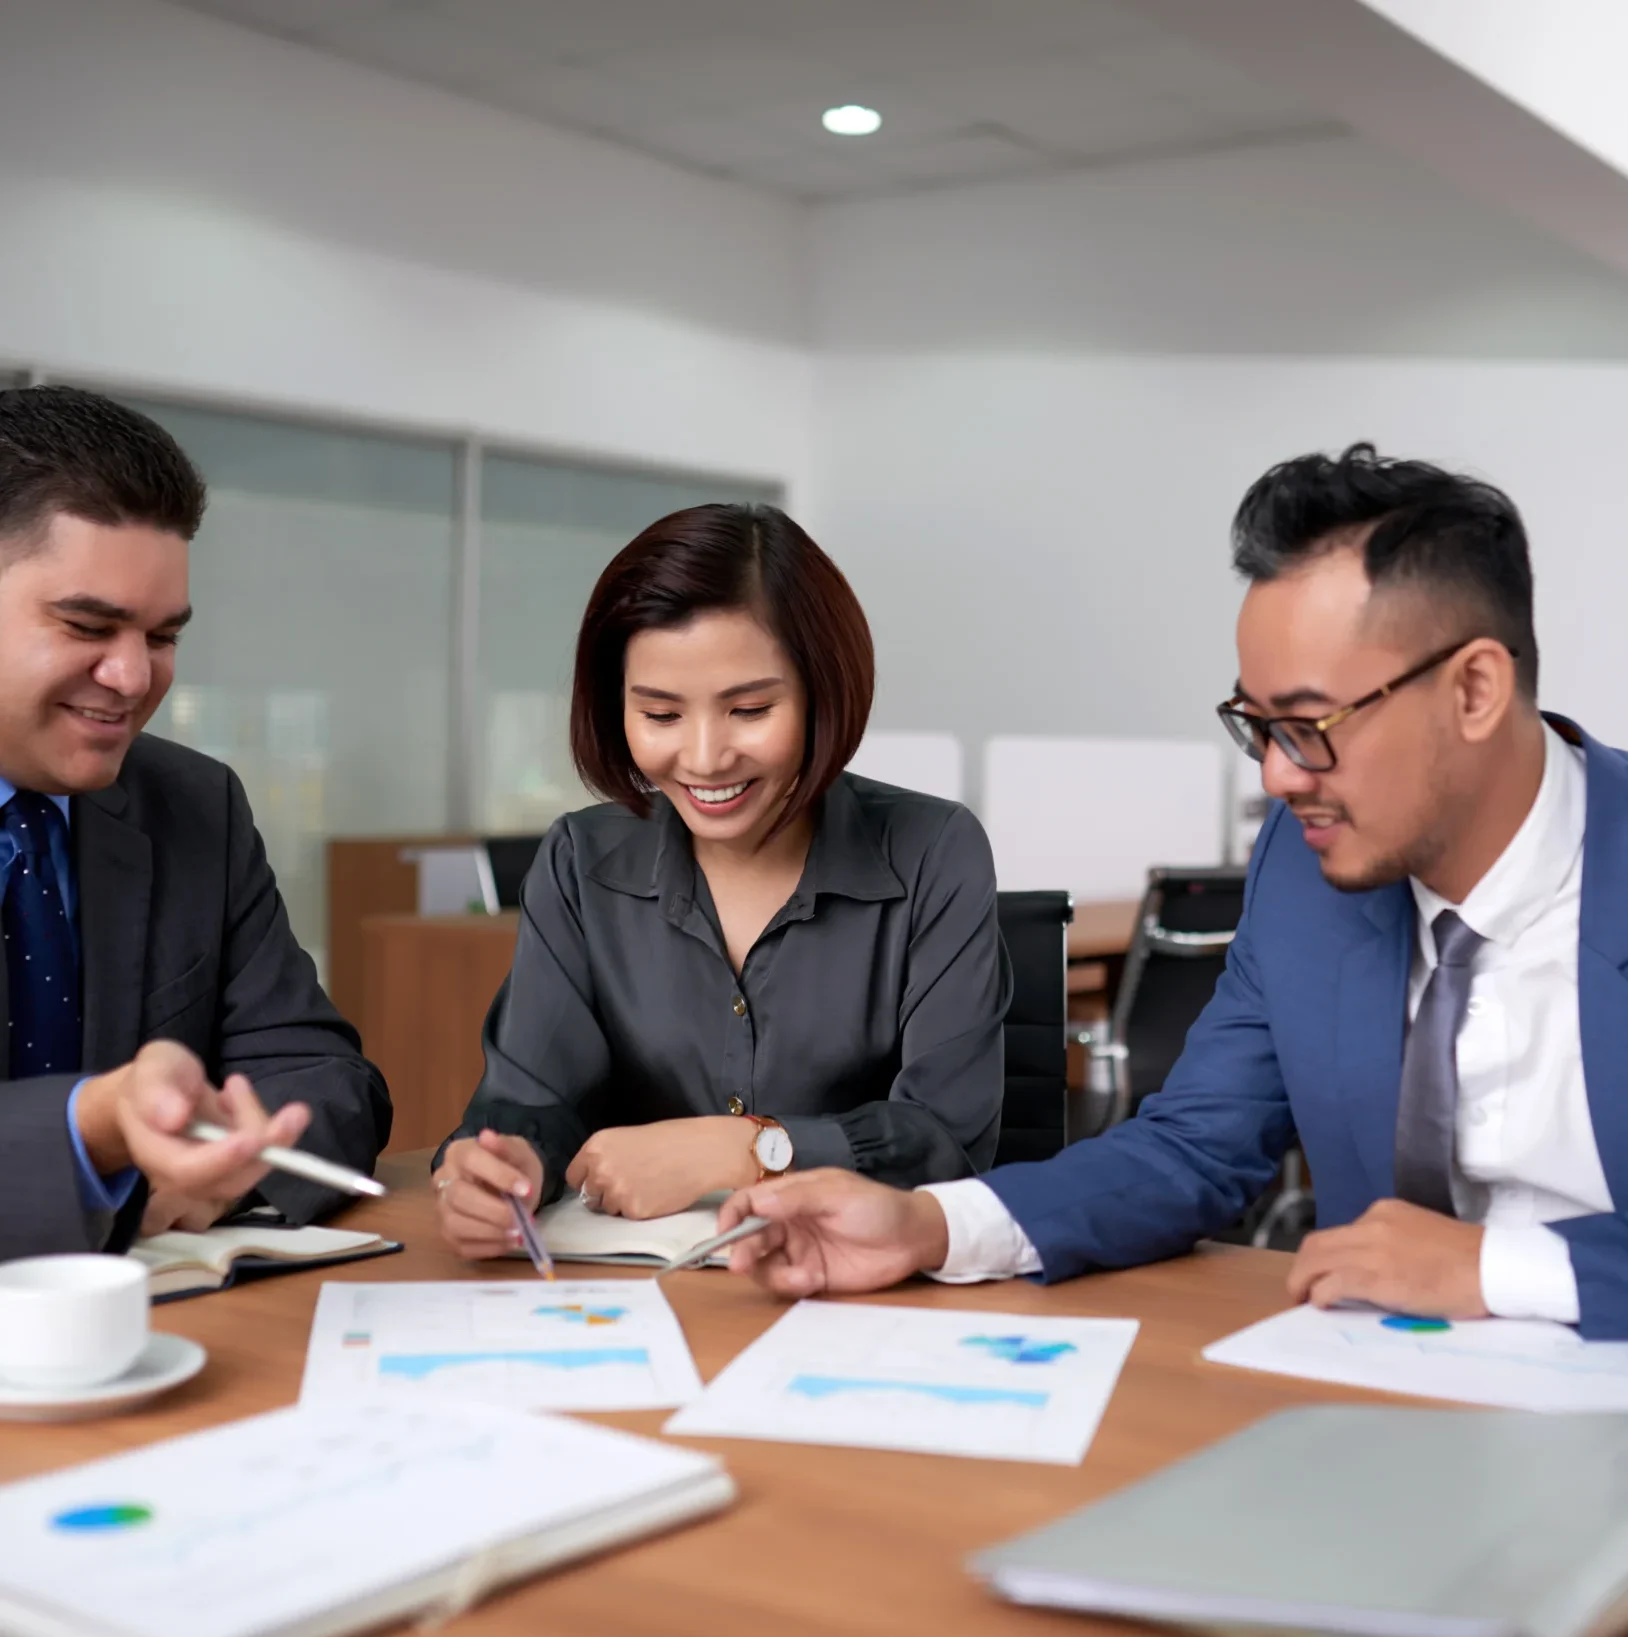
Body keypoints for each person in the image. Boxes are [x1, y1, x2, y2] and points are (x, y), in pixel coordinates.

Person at [714, 443, 1628, 1342]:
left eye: (1309, 723)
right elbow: (1191, 1148)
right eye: (1256, 724)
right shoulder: (1306, 866)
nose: (1275, 778)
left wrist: (1488, 1265)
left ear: (1474, 689)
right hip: (1403, 1413)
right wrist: (926, 1222)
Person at [432, 503, 1008, 1258]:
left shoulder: (934, 851)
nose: (703, 758)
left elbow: (948, 1139)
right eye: (660, 713)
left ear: (821, 691)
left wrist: (746, 1147)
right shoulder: (581, 862)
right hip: (631, 1299)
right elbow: (529, 1099)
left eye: (749, 709)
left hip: (860, 1296)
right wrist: (505, 1168)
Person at [0, 385, 391, 1263]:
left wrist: (227, 1166)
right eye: (88, 625)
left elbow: (327, 1081)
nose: (134, 677)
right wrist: (94, 1134)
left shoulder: (193, 806)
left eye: (164, 635)